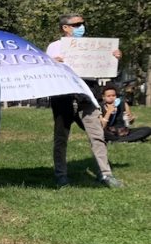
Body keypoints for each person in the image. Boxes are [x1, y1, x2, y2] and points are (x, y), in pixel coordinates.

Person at [46, 14, 124, 187]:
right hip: (63, 96)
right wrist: (52, 62)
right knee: (61, 138)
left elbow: (106, 68)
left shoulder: (94, 47)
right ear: (65, 28)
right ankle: (61, 175)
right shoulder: (54, 47)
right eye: (77, 24)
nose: (82, 26)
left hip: (87, 95)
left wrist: (114, 58)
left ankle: (105, 174)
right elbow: (46, 69)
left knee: (98, 135)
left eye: (82, 23)